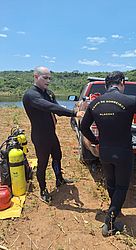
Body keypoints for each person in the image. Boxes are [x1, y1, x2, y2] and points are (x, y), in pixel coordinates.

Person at [80, 71, 136, 236]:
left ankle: (114, 208)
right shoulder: (130, 100)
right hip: (123, 152)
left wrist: (95, 142)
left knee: (111, 183)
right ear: (122, 82)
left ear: (106, 85)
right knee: (122, 186)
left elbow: (83, 128)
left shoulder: (95, 103)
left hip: (104, 152)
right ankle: (110, 222)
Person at [23, 66, 84, 204]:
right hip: (40, 136)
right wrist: (73, 113)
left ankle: (59, 179)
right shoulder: (31, 95)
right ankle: (43, 190)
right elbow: (49, 107)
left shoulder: (48, 93)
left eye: (50, 78)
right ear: (36, 76)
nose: (48, 80)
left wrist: (74, 108)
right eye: (45, 78)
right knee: (42, 163)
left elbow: (57, 108)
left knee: (57, 156)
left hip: (51, 133)